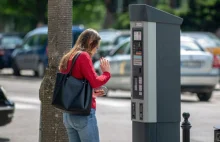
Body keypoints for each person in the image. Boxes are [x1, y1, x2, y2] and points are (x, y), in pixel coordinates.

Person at [59, 28, 111, 142]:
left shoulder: (68, 56)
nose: (96, 51)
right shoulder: (83, 56)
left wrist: (91, 93)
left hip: (68, 114)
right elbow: (95, 81)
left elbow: (72, 85)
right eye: (96, 47)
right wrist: (106, 73)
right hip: (82, 114)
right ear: (90, 43)